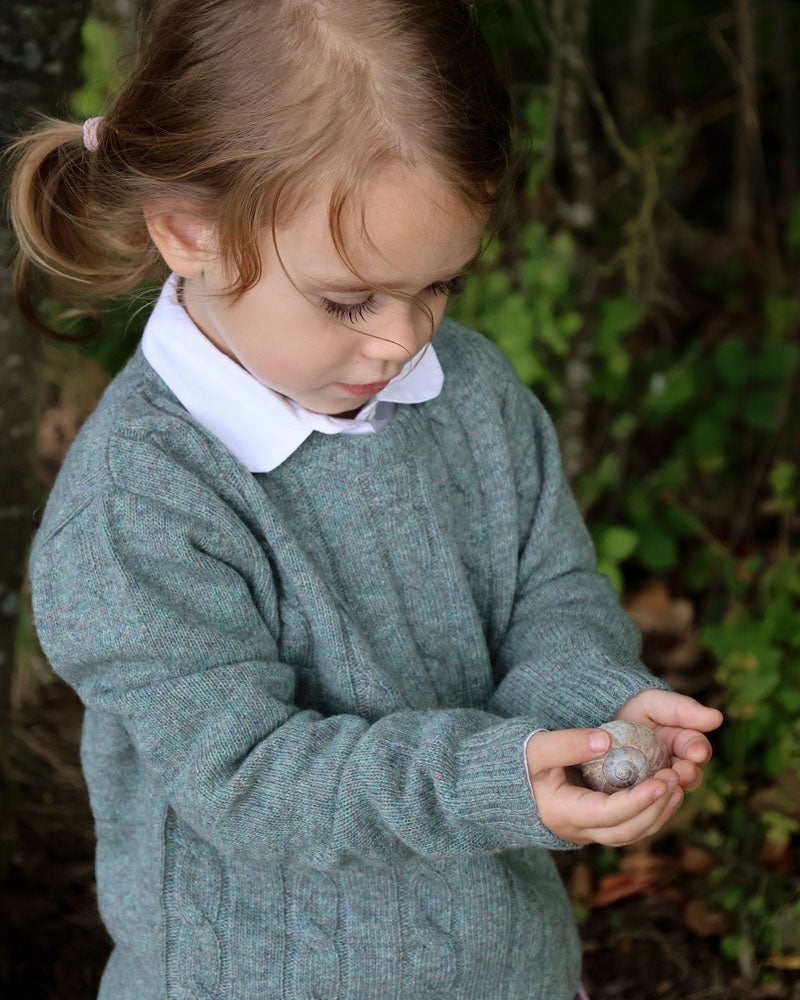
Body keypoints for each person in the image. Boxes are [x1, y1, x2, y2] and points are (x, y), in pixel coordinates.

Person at [9, 1, 723, 998]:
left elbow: (549, 596)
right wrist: (490, 778)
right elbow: (248, 778)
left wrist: (593, 722)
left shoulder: (468, 395)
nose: (400, 342)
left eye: (436, 286)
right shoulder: (139, 503)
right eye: (348, 300)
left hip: (506, 968)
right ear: (188, 233)